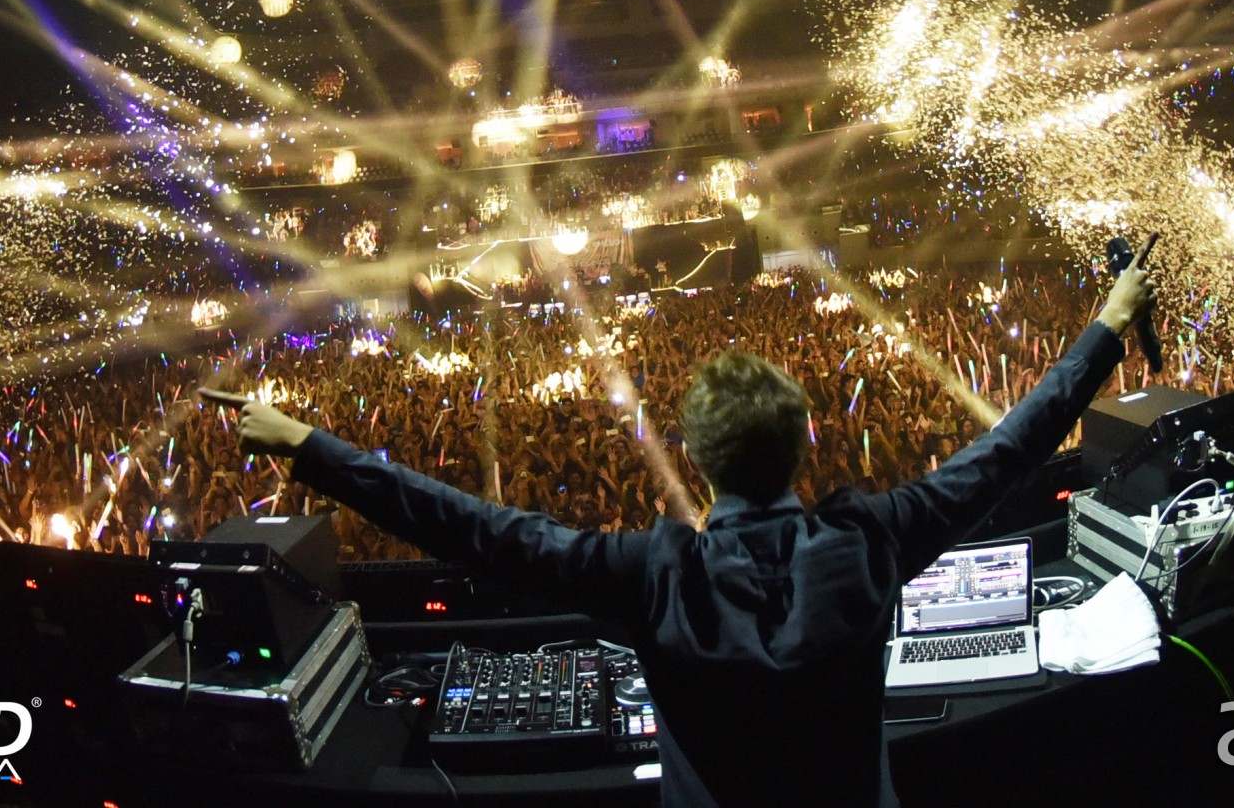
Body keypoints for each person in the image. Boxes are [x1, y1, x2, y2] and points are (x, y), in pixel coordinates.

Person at [209, 260, 1156, 808]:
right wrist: (1109, 325)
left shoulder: (653, 574)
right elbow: (1012, 448)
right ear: (803, 448)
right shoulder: (871, 540)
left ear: (696, 465)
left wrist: (308, 447)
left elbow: (474, 530)